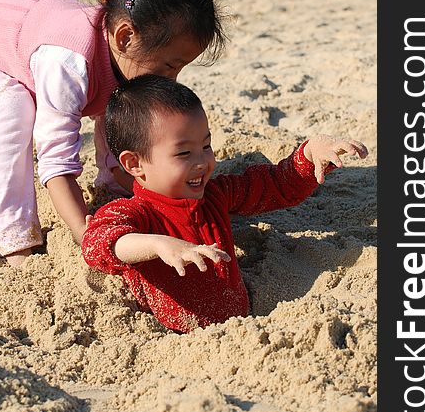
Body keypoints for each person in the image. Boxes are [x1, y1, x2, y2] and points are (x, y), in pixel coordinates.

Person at [0, 0, 225, 266]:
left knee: (123, 101)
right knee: (12, 108)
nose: (172, 79)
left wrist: (127, 185)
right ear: (124, 37)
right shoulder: (68, 64)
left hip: (26, 28)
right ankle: (14, 236)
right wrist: (87, 235)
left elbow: (119, 121)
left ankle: (112, 185)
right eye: (169, 65)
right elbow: (56, 164)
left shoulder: (128, 52)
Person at [82, 75, 368, 334]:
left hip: (245, 329)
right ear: (135, 164)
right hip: (180, 346)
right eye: (184, 153)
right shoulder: (136, 212)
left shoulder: (215, 195)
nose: (202, 162)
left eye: (206, 146)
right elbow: (97, 243)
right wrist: (158, 245)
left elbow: (275, 186)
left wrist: (307, 155)